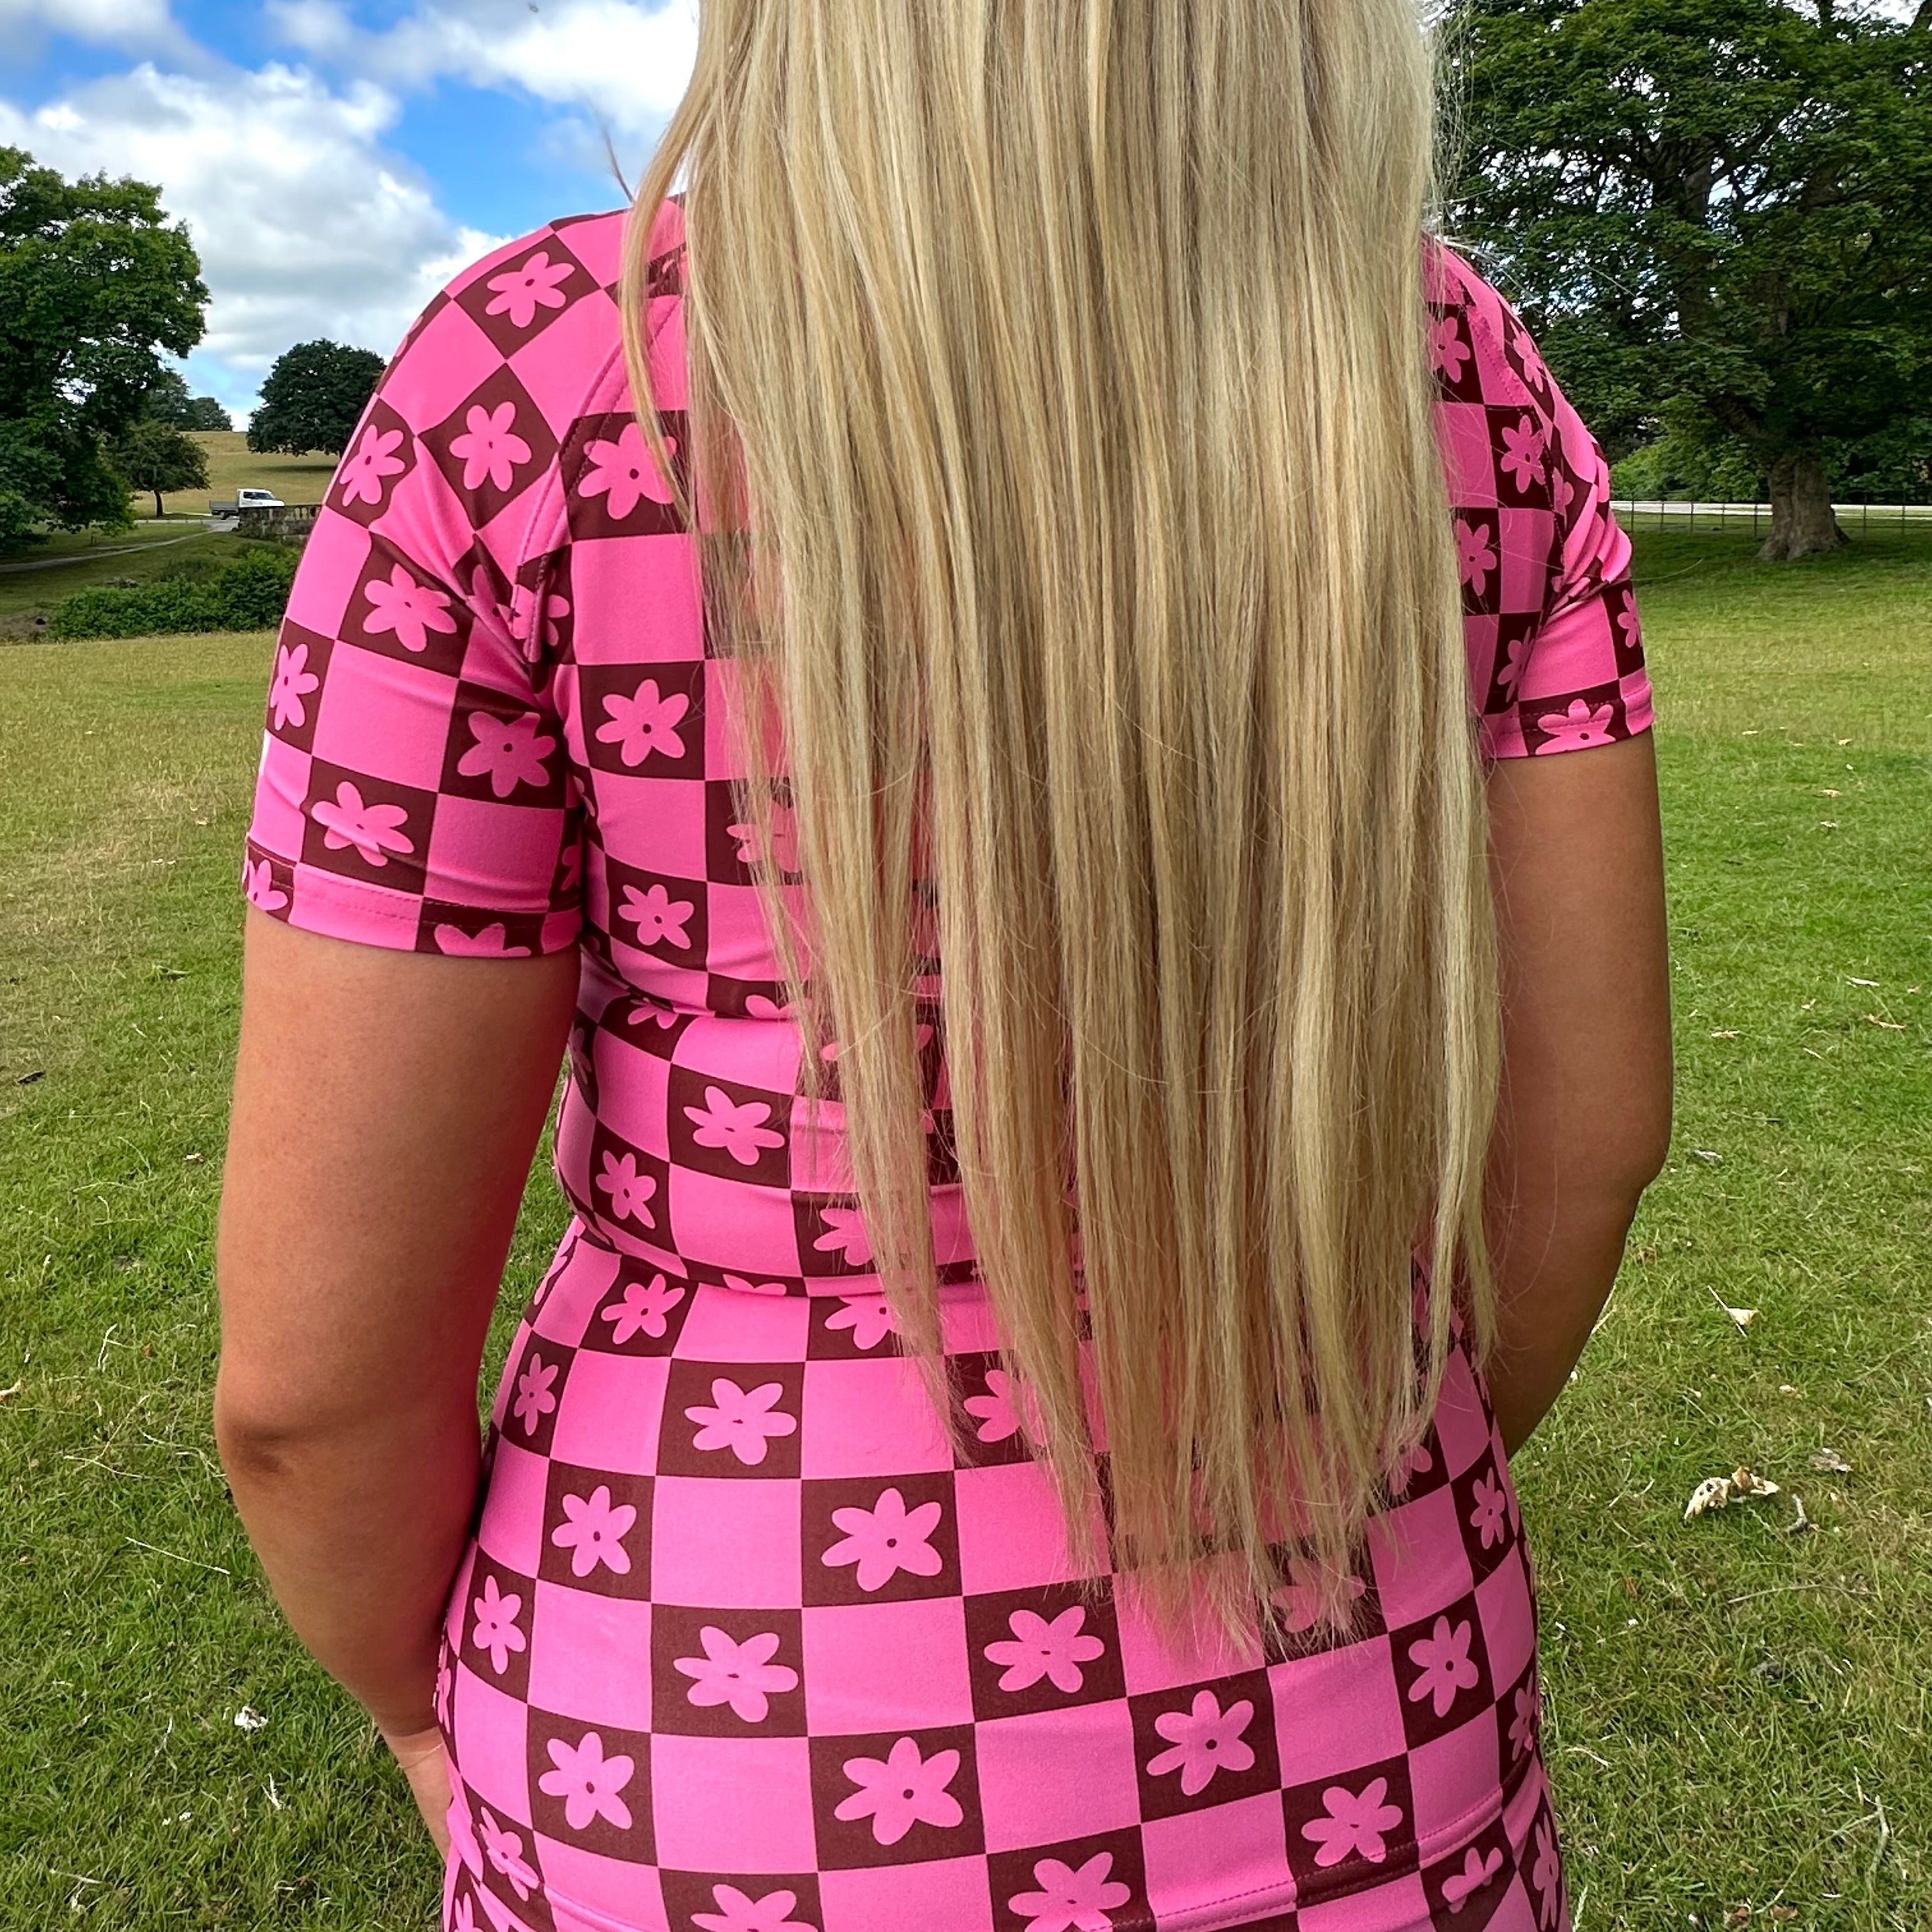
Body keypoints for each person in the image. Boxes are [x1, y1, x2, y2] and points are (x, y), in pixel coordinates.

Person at [215, 5, 1671, 1929]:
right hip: (1375, 1717)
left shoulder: (545, 383)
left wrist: (423, 1708)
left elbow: (312, 1393)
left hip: (703, 1740)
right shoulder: (1445, 365)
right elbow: (1583, 1150)